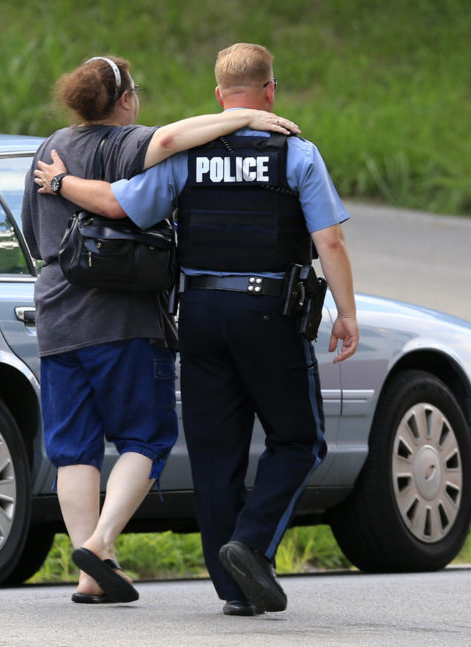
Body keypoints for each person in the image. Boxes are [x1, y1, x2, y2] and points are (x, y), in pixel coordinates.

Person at [33, 43, 358, 616]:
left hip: (199, 317)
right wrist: (348, 313)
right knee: (298, 439)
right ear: (270, 92)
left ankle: (232, 590)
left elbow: (118, 205)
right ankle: (250, 546)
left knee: (213, 452)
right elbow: (328, 240)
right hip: (270, 315)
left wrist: (60, 185)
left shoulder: (188, 160)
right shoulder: (297, 154)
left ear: (217, 96)